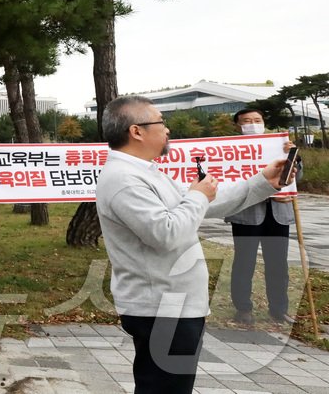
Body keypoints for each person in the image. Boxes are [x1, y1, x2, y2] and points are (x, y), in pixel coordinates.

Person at [96, 95, 293, 394]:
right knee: (165, 388)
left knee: (168, 386)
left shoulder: (145, 171)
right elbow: (166, 233)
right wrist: (197, 195)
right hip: (162, 306)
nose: (167, 130)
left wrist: (263, 180)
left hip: (173, 302)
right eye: (161, 122)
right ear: (136, 131)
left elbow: (207, 203)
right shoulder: (125, 179)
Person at [224, 108, 297, 325]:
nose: (252, 124)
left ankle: (279, 309)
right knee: (244, 263)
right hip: (247, 214)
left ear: (264, 122)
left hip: (278, 213)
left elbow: (296, 175)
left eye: (257, 120)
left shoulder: (279, 145)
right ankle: (243, 309)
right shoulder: (231, 150)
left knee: (278, 264)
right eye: (246, 121)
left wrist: (293, 155)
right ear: (237, 126)